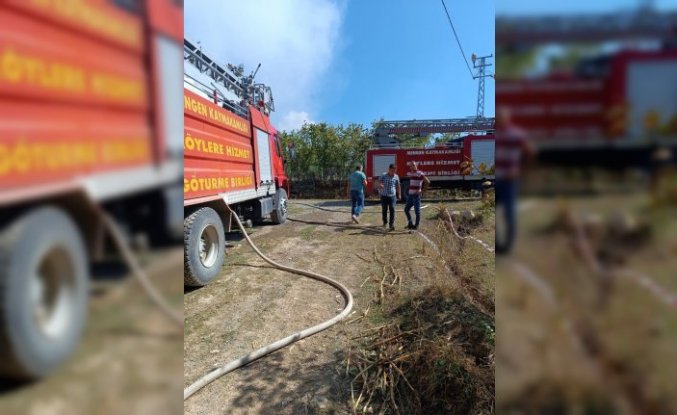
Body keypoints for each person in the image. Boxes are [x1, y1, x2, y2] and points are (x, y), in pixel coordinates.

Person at [495, 106, 534, 255]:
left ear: (507, 118)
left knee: (509, 214)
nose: (499, 119)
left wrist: (520, 170)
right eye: (498, 117)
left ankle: (508, 247)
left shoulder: (516, 134)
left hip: (509, 181)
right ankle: (498, 246)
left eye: (502, 117)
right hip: (496, 179)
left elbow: (530, 151)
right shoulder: (495, 135)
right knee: (495, 213)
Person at [404, 161, 430, 230]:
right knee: (406, 209)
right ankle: (410, 224)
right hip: (410, 195)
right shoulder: (411, 174)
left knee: (417, 211)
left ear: (416, 166)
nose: (412, 167)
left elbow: (427, 182)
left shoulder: (420, 173)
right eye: (411, 166)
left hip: (416, 196)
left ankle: (416, 225)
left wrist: (422, 192)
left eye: (413, 165)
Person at [376, 164, 401, 232]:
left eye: (394, 171)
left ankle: (391, 224)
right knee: (384, 209)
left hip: (392, 196)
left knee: (392, 209)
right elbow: (378, 182)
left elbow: (398, 186)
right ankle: (385, 222)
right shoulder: (383, 175)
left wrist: (399, 194)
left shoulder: (396, 177)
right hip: (384, 196)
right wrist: (380, 185)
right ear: (389, 169)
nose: (393, 172)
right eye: (392, 170)